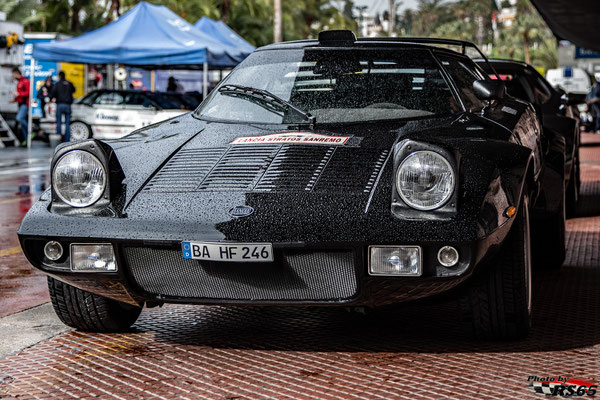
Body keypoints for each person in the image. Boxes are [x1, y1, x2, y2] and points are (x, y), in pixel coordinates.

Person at [50, 71, 76, 142]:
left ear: (59, 76)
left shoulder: (57, 84)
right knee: (67, 123)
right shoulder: (69, 83)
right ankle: (67, 139)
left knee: (59, 121)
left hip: (60, 105)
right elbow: (74, 90)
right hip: (68, 105)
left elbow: (52, 93)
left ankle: (59, 137)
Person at [10, 67, 30, 145]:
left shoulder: (25, 81)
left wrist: (19, 94)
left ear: (16, 74)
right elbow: (20, 94)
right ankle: (26, 139)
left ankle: (29, 131)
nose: (13, 76)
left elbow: (28, 92)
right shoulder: (19, 82)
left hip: (25, 104)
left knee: (19, 118)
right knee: (21, 123)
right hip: (20, 104)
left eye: (13, 75)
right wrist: (14, 100)